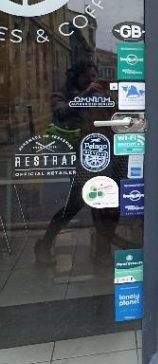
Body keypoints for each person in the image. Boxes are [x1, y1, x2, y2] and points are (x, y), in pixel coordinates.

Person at [34, 61, 120, 265]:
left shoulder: (99, 97)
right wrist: (87, 94)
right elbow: (61, 114)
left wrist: (111, 97)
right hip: (79, 158)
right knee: (73, 205)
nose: (91, 80)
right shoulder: (63, 95)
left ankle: (103, 250)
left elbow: (116, 117)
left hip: (103, 156)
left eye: (94, 76)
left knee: (105, 206)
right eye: (86, 77)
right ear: (76, 77)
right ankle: (45, 244)